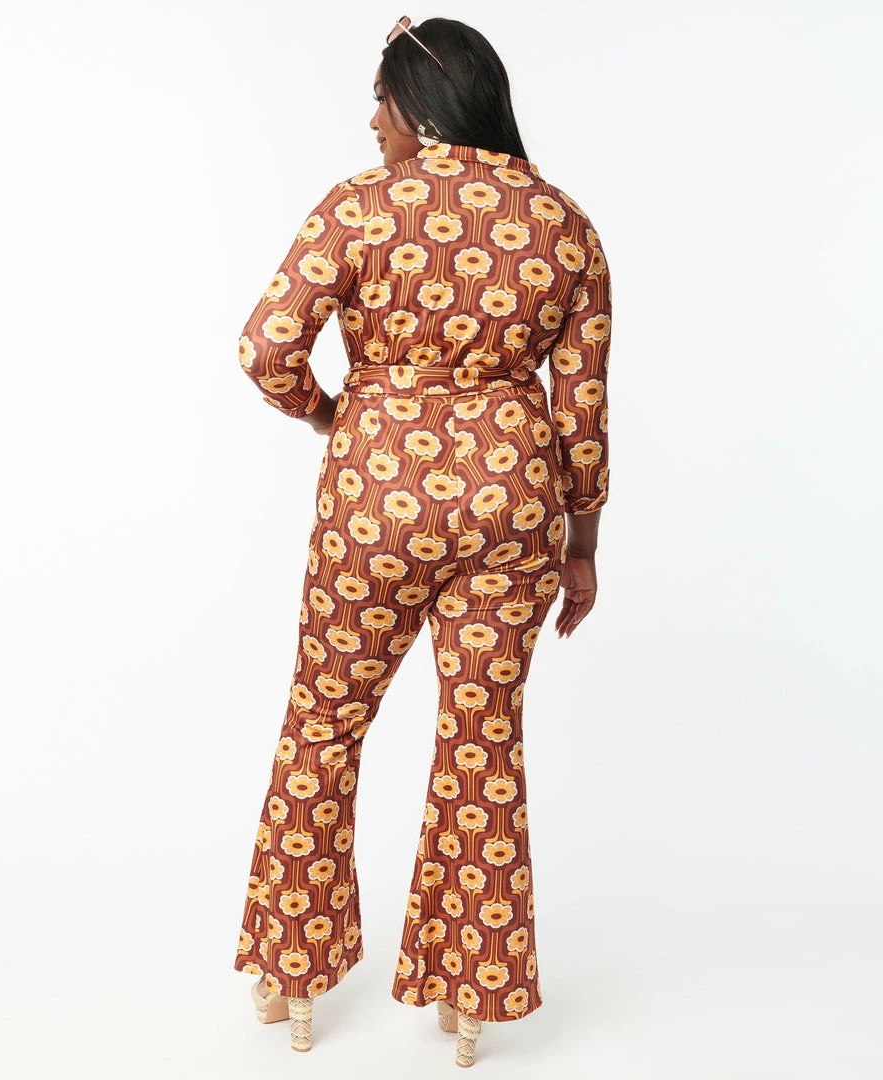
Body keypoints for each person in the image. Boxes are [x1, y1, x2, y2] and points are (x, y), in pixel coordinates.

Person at [232, 14, 611, 1069]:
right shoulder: (566, 224)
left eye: (381, 99)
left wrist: (331, 414)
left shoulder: (360, 204)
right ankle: (468, 996)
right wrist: (581, 543)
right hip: (514, 502)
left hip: (376, 500)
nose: (372, 121)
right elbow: (581, 413)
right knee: (482, 740)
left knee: (323, 722)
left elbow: (266, 348)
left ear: (423, 106)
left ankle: (293, 976)